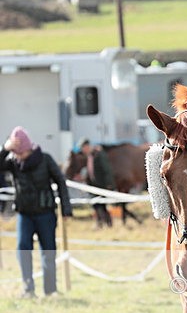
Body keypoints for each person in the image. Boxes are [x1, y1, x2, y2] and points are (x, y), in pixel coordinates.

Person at [0, 126, 72, 298]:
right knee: (23, 249)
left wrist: (66, 209)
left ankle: (50, 290)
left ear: (28, 148)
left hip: (45, 213)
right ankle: (28, 289)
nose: (18, 156)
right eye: (15, 153)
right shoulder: (12, 163)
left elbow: (60, 181)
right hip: (24, 214)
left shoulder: (45, 159)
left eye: (20, 153)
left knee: (48, 251)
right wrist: (5, 148)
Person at [76, 138, 115, 227]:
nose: (82, 150)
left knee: (101, 205)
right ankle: (101, 222)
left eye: (83, 148)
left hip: (101, 185)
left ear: (87, 146)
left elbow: (107, 169)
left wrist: (109, 184)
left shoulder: (99, 154)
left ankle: (106, 222)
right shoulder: (89, 156)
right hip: (93, 185)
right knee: (96, 205)